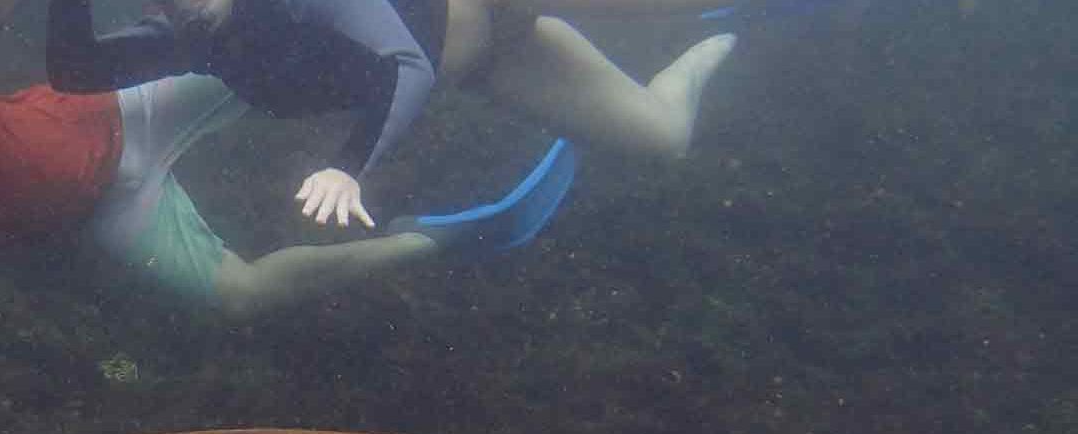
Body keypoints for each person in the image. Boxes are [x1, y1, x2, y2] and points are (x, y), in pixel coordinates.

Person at [0, 0, 576, 387]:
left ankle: (449, 37)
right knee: (243, 297)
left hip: (129, 106)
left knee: (282, 64)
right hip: (109, 212)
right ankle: (445, 236)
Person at [47, 0, 742, 230]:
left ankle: (730, 19)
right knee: (665, 137)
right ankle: (697, 63)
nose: (181, 6)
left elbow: (404, 63)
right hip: (491, 62)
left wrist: (349, 169)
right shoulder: (189, 36)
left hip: (486, 15)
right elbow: (78, 71)